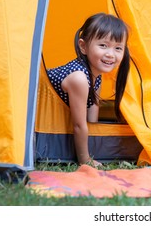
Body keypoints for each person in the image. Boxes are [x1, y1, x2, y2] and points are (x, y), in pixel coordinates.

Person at [47, 13, 130, 167]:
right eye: (103, 45)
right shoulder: (79, 78)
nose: (110, 54)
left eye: (118, 48)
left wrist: (96, 136)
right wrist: (85, 159)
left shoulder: (96, 73)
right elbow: (79, 125)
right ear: (83, 46)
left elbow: (93, 106)